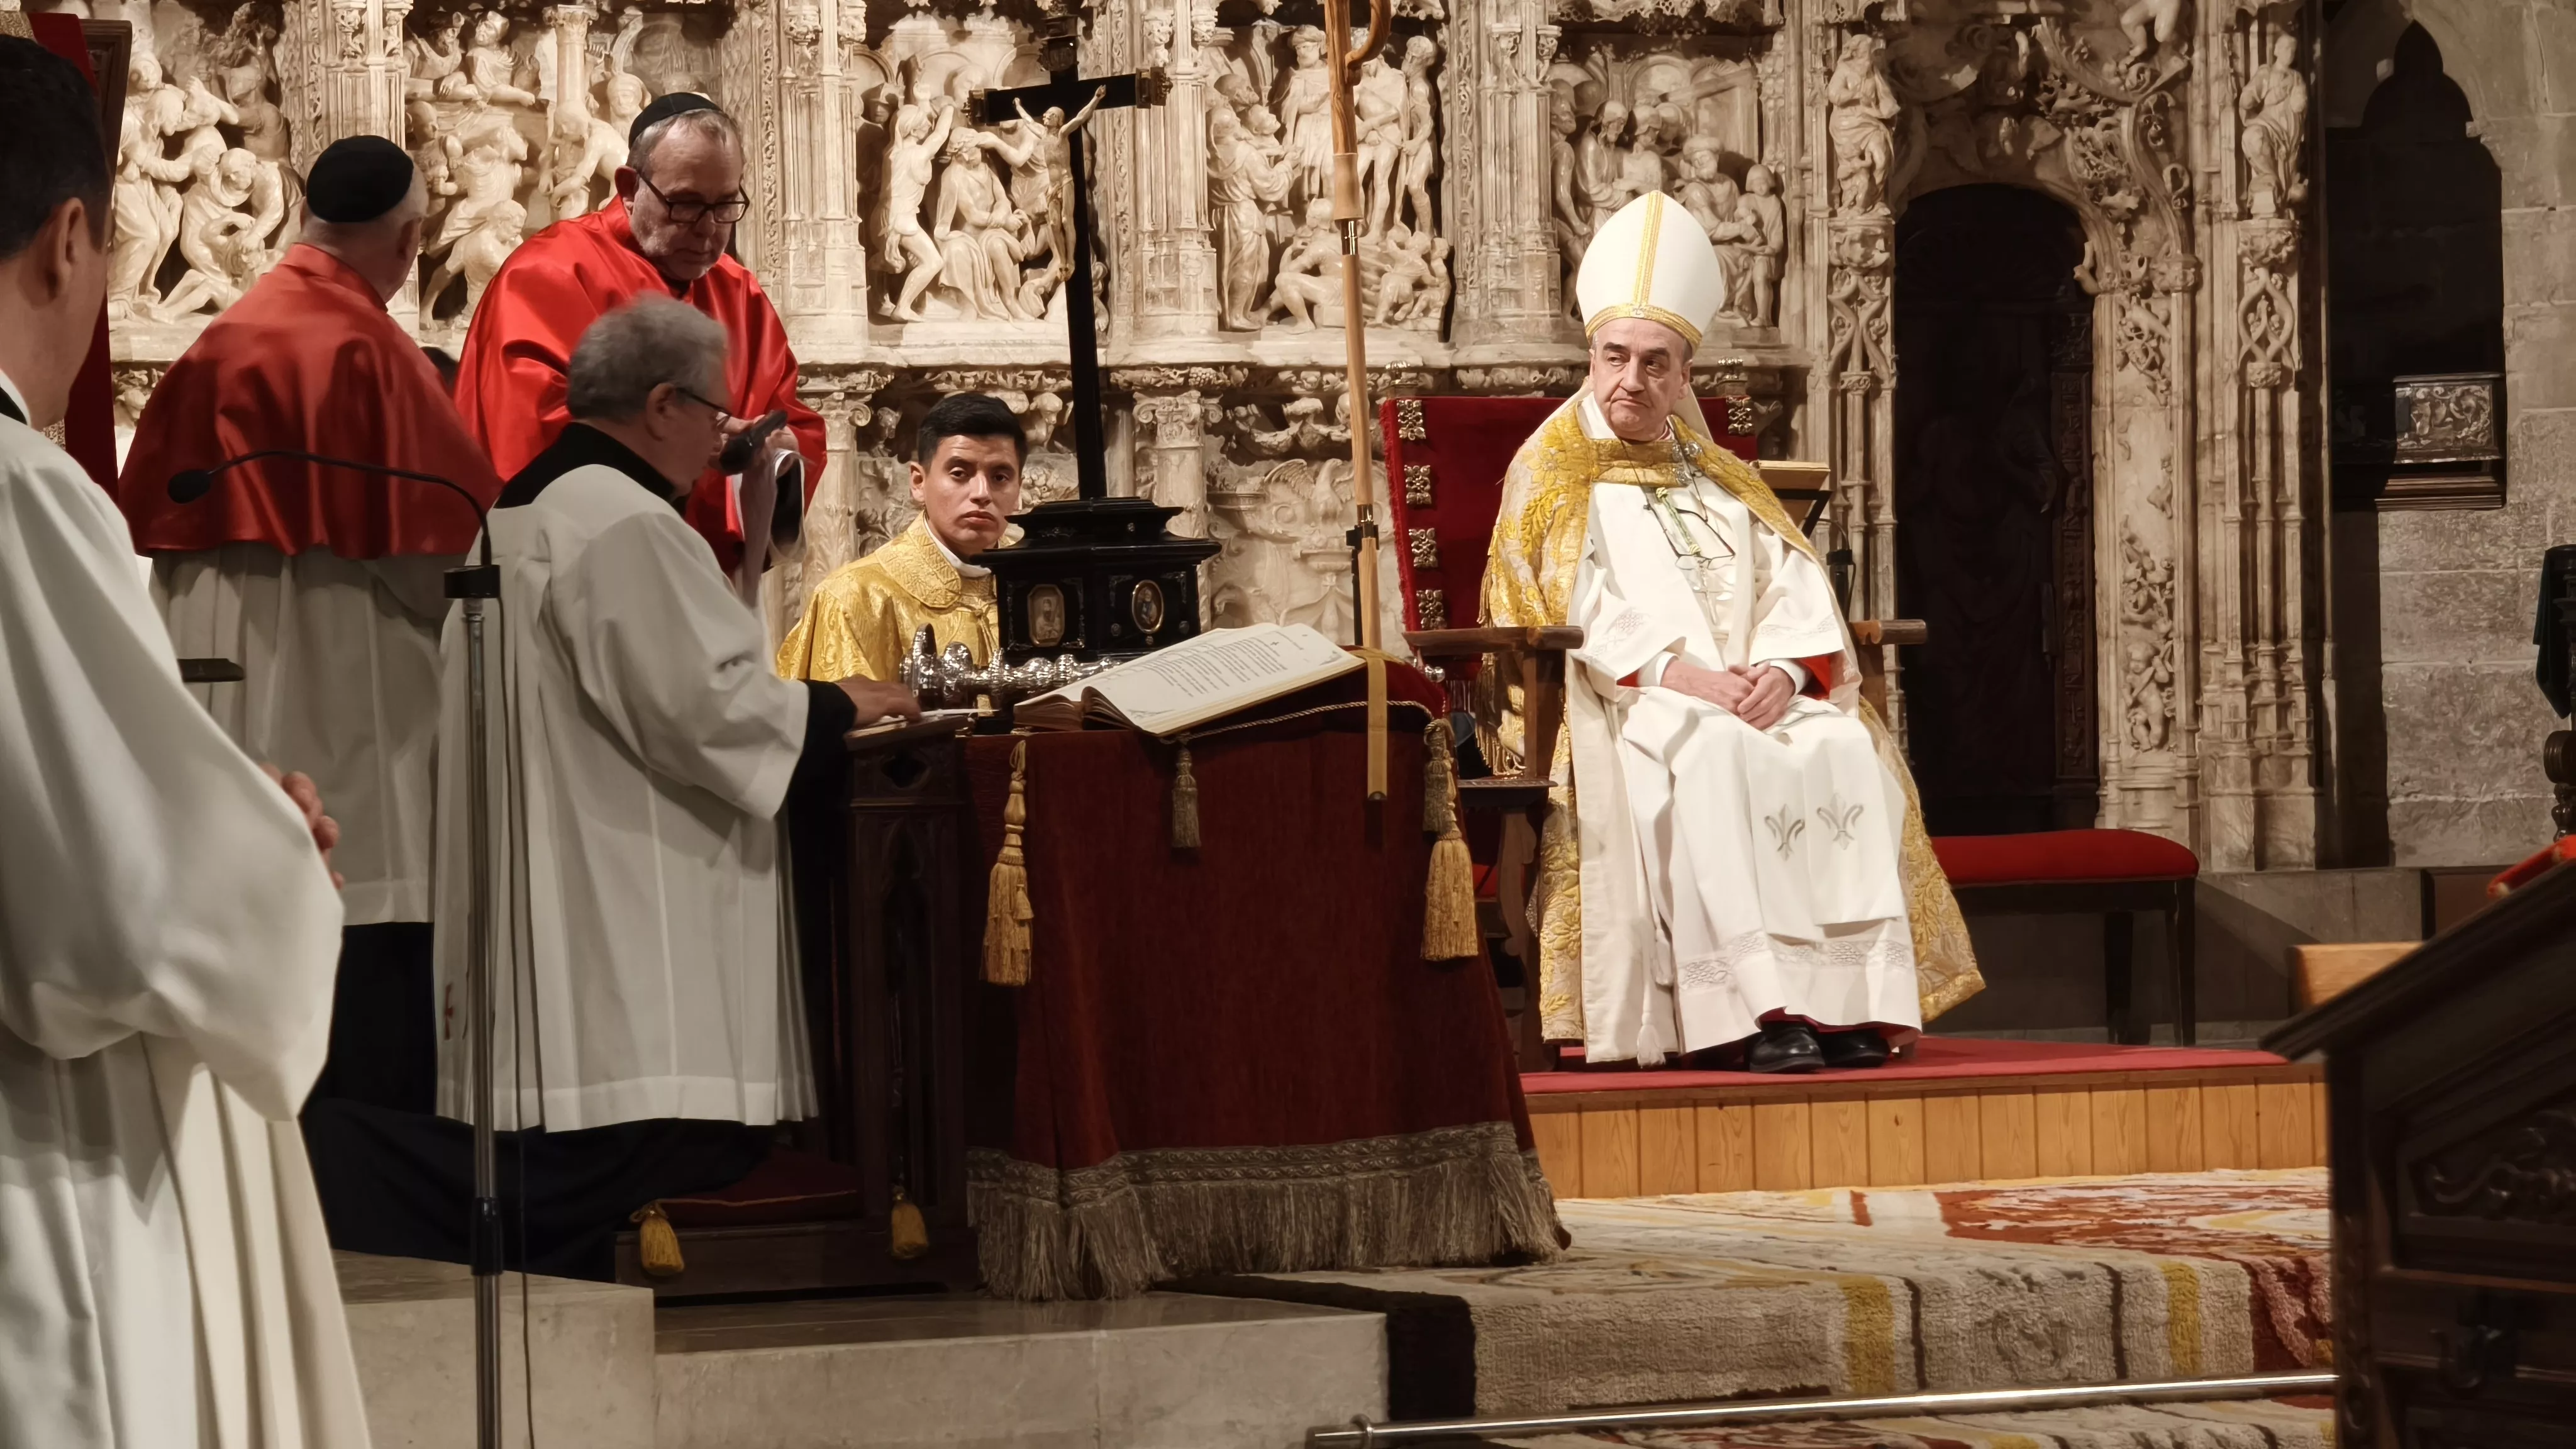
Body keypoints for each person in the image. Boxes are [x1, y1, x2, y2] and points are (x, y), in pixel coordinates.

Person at [304, 297, 917, 1280]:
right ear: (663, 404)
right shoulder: (624, 523)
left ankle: (328, 1167)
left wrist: (770, 605)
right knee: (641, 1156)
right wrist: (836, 708)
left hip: (565, 899)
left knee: (552, 1166)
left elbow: (665, 680)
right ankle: (322, 1166)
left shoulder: (527, 509)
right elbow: (702, 709)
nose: (723, 444)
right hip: (631, 928)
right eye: (719, 418)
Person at [0, 35, 370, 1443]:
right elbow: (121, 913)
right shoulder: (22, 498)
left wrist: (204, 810)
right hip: (41, 1163)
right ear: (73, 237)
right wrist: (268, 846)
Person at [1481, 191, 1982, 1073]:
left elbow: (1791, 577)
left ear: (1684, 376)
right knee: (1713, 753)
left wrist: (1788, 671)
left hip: (1754, 693)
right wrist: (1688, 678)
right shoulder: (1550, 472)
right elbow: (1559, 602)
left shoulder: (1718, 475)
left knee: (1838, 747)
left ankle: (1845, 1007)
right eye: (1614, 358)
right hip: (1634, 704)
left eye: (1654, 363)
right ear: (1591, 359)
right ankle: (1752, 1012)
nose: (1631, 380)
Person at [119, 136, 504, 1118]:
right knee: (363, 964)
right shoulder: (368, 348)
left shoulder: (223, 337)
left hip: (214, 697)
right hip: (346, 701)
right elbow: (446, 560)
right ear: (413, 239)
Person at [452, 93, 823, 584]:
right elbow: (529, 434)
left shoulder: (738, 292)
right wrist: (693, 442)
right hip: (579, 575)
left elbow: (794, 422)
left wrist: (772, 454)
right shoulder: (550, 273)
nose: (710, 231)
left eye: (726, 205)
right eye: (686, 204)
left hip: (700, 582)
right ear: (629, 187)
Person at [776, 391, 1024, 682]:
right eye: (960, 473)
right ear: (918, 482)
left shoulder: (1042, 586)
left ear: (1019, 488)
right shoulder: (853, 598)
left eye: (1000, 477)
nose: (982, 493)